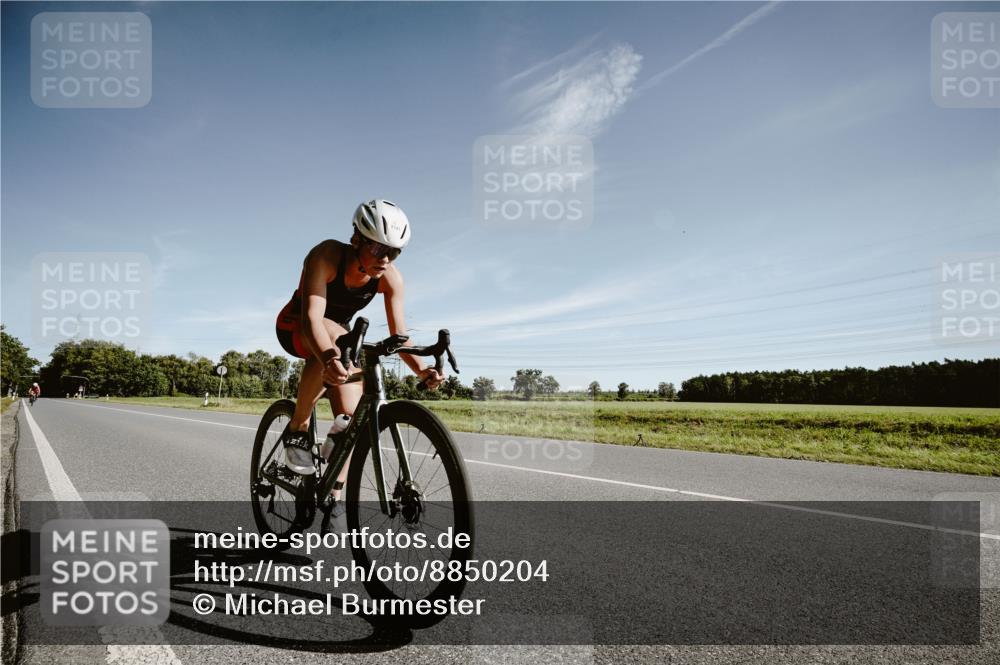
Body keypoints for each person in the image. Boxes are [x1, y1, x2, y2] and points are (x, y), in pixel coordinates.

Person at [275, 199, 444, 494]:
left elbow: (399, 337)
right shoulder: (326, 256)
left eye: (394, 252)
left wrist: (422, 370)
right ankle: (298, 428)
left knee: (351, 422)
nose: (386, 259)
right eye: (379, 248)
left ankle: (333, 499)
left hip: (339, 340)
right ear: (356, 239)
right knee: (337, 339)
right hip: (297, 327)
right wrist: (329, 358)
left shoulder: (390, 278)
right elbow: (312, 319)